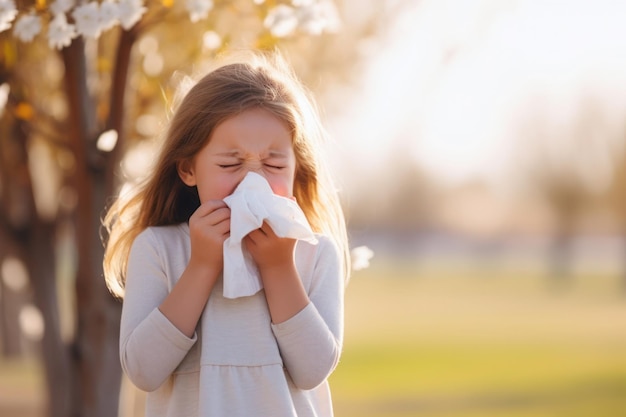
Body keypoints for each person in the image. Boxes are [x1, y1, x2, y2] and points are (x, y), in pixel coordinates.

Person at [102, 51, 350, 417]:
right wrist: (201, 266)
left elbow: (314, 370)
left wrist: (279, 267)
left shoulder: (314, 254)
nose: (254, 179)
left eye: (274, 164)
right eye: (230, 164)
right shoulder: (159, 249)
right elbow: (143, 370)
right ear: (188, 169)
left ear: (297, 170)